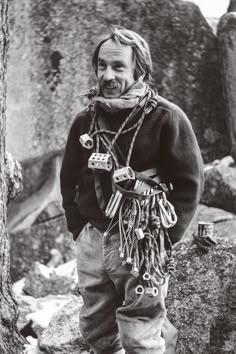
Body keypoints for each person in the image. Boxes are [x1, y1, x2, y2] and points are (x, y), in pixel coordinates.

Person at [60, 26, 204, 354]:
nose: (108, 75)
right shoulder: (86, 121)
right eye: (102, 66)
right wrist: (79, 229)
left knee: (140, 331)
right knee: (95, 327)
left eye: (119, 66)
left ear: (139, 69)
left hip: (144, 241)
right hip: (94, 239)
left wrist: (163, 237)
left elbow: (190, 182)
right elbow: (69, 179)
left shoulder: (167, 118)